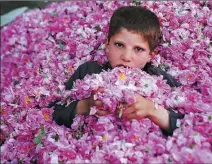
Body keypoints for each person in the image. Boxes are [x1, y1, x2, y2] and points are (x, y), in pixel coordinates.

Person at [51, 6, 184, 136]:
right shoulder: (88, 71)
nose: (126, 57)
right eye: (119, 45)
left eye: (138, 49)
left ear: (151, 55)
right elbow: (56, 113)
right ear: (107, 44)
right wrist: (86, 105)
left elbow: (188, 124)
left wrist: (152, 110)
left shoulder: (161, 80)